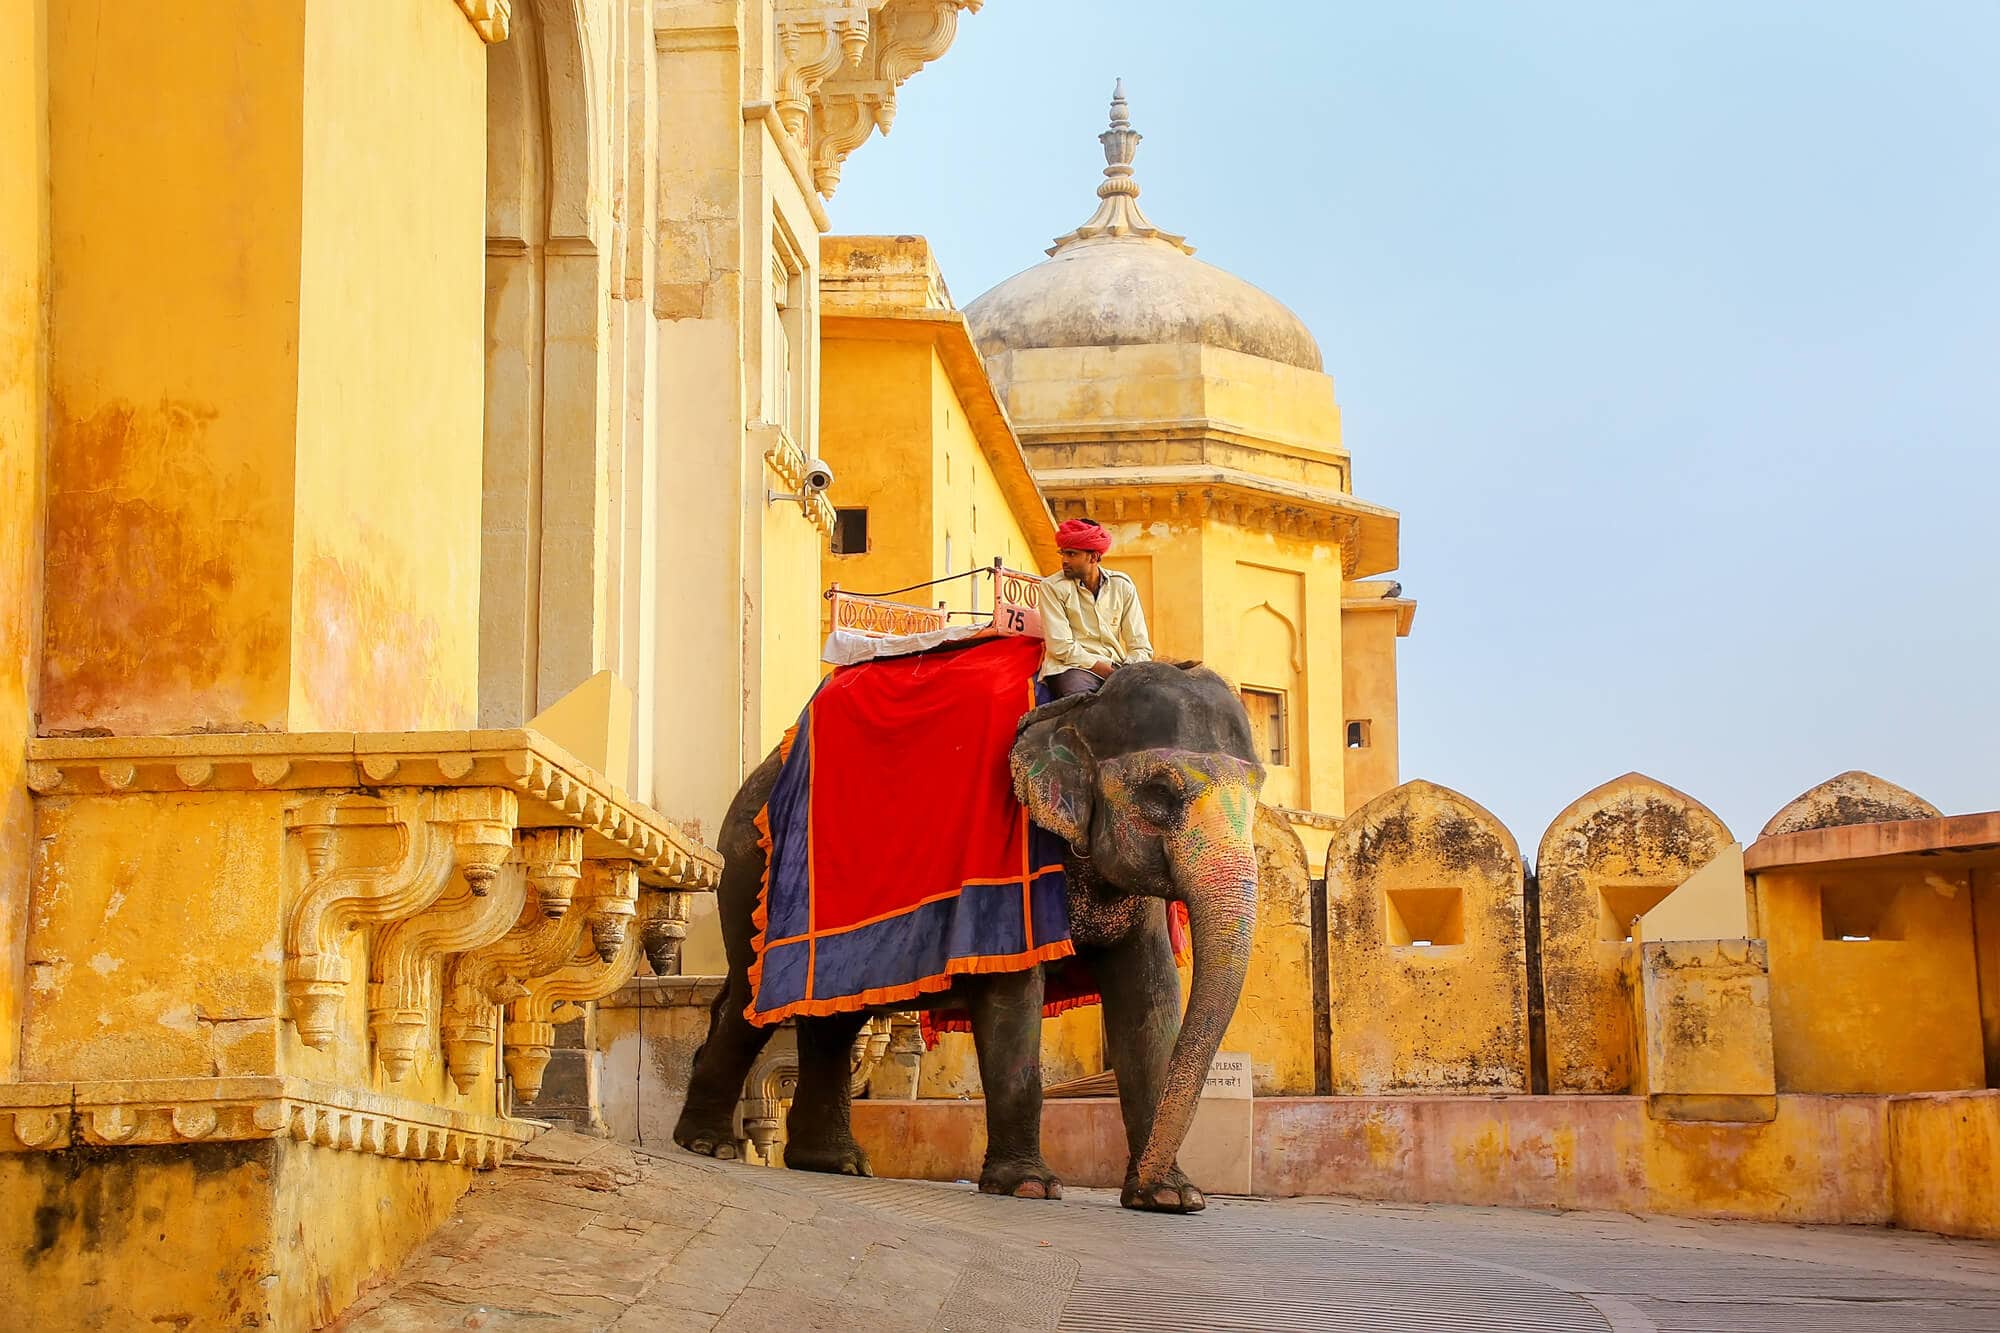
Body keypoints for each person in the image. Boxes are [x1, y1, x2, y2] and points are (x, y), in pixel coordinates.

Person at [1037, 517, 1153, 698]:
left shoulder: (1122, 585)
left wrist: (1127, 670)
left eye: (1072, 554)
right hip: (1072, 667)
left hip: (1117, 668)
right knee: (1085, 708)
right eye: (1063, 554)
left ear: (1093, 557)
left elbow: (1140, 646)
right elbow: (1060, 647)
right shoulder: (1051, 587)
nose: (1065, 560)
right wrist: (1104, 670)